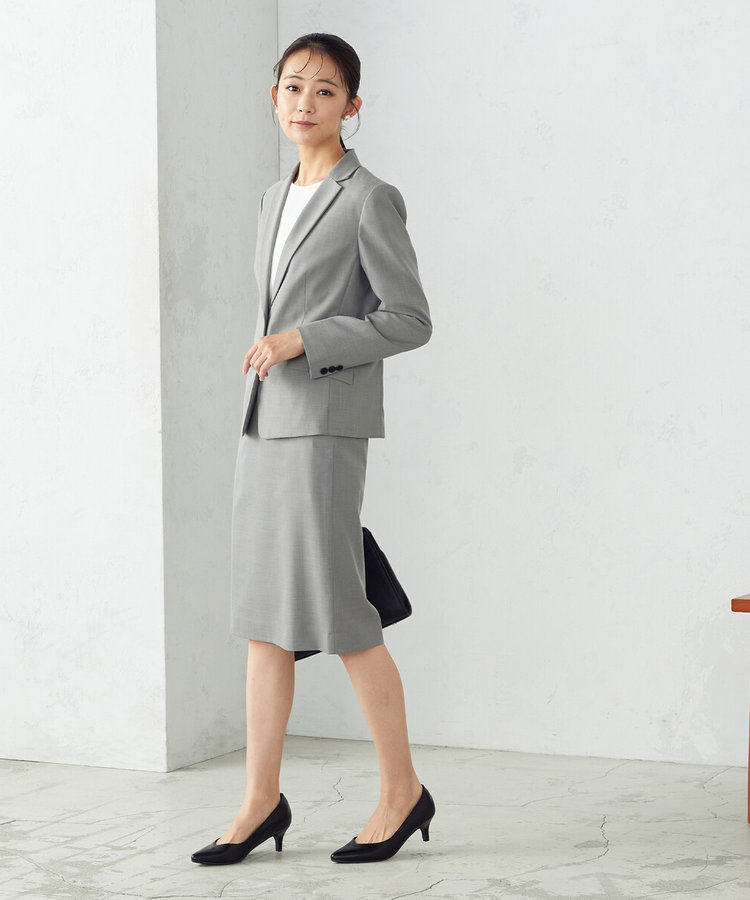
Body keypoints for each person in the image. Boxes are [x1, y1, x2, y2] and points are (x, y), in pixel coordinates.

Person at [191, 33, 434, 867]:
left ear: (351, 107)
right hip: (263, 426)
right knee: (264, 620)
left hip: (324, 431)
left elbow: (409, 319)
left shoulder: (370, 199)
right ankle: (260, 801)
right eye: (293, 86)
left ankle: (402, 792)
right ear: (274, 97)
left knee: (344, 615)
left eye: (325, 91)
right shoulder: (273, 198)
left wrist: (306, 338)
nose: (305, 102)